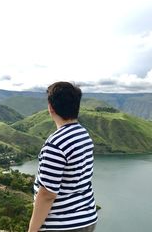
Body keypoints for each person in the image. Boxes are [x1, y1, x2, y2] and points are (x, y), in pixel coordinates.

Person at [28, 82, 98, 232]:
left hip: (61, 226)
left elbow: (47, 194)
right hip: (87, 219)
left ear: (51, 108)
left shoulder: (56, 144)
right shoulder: (83, 134)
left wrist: (32, 230)